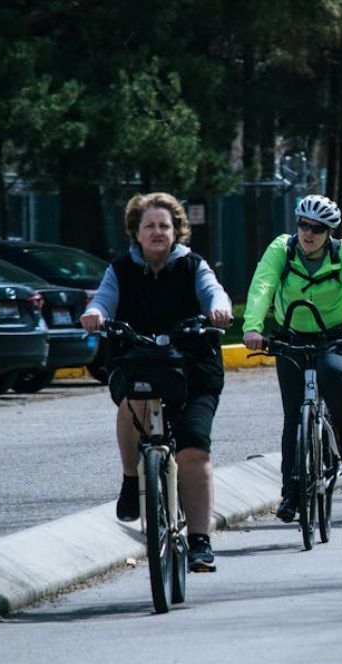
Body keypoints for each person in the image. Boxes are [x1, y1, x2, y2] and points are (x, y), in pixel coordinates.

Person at [81, 192, 233, 572]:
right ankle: (132, 479)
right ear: (136, 231)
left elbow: (214, 292)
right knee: (133, 401)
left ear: (177, 230)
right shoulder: (120, 269)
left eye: (165, 225)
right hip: (138, 363)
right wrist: (95, 314)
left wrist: (219, 310)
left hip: (194, 369)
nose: (157, 232)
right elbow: (103, 299)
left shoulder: (192, 265)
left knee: (193, 450)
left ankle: (200, 541)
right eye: (149, 225)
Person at [242, 195, 342, 523]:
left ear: (329, 232)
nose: (308, 233)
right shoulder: (281, 249)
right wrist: (253, 327)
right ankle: (290, 493)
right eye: (303, 225)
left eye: (317, 228)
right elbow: (263, 285)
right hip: (291, 335)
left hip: (335, 333)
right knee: (293, 418)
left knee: (333, 372)